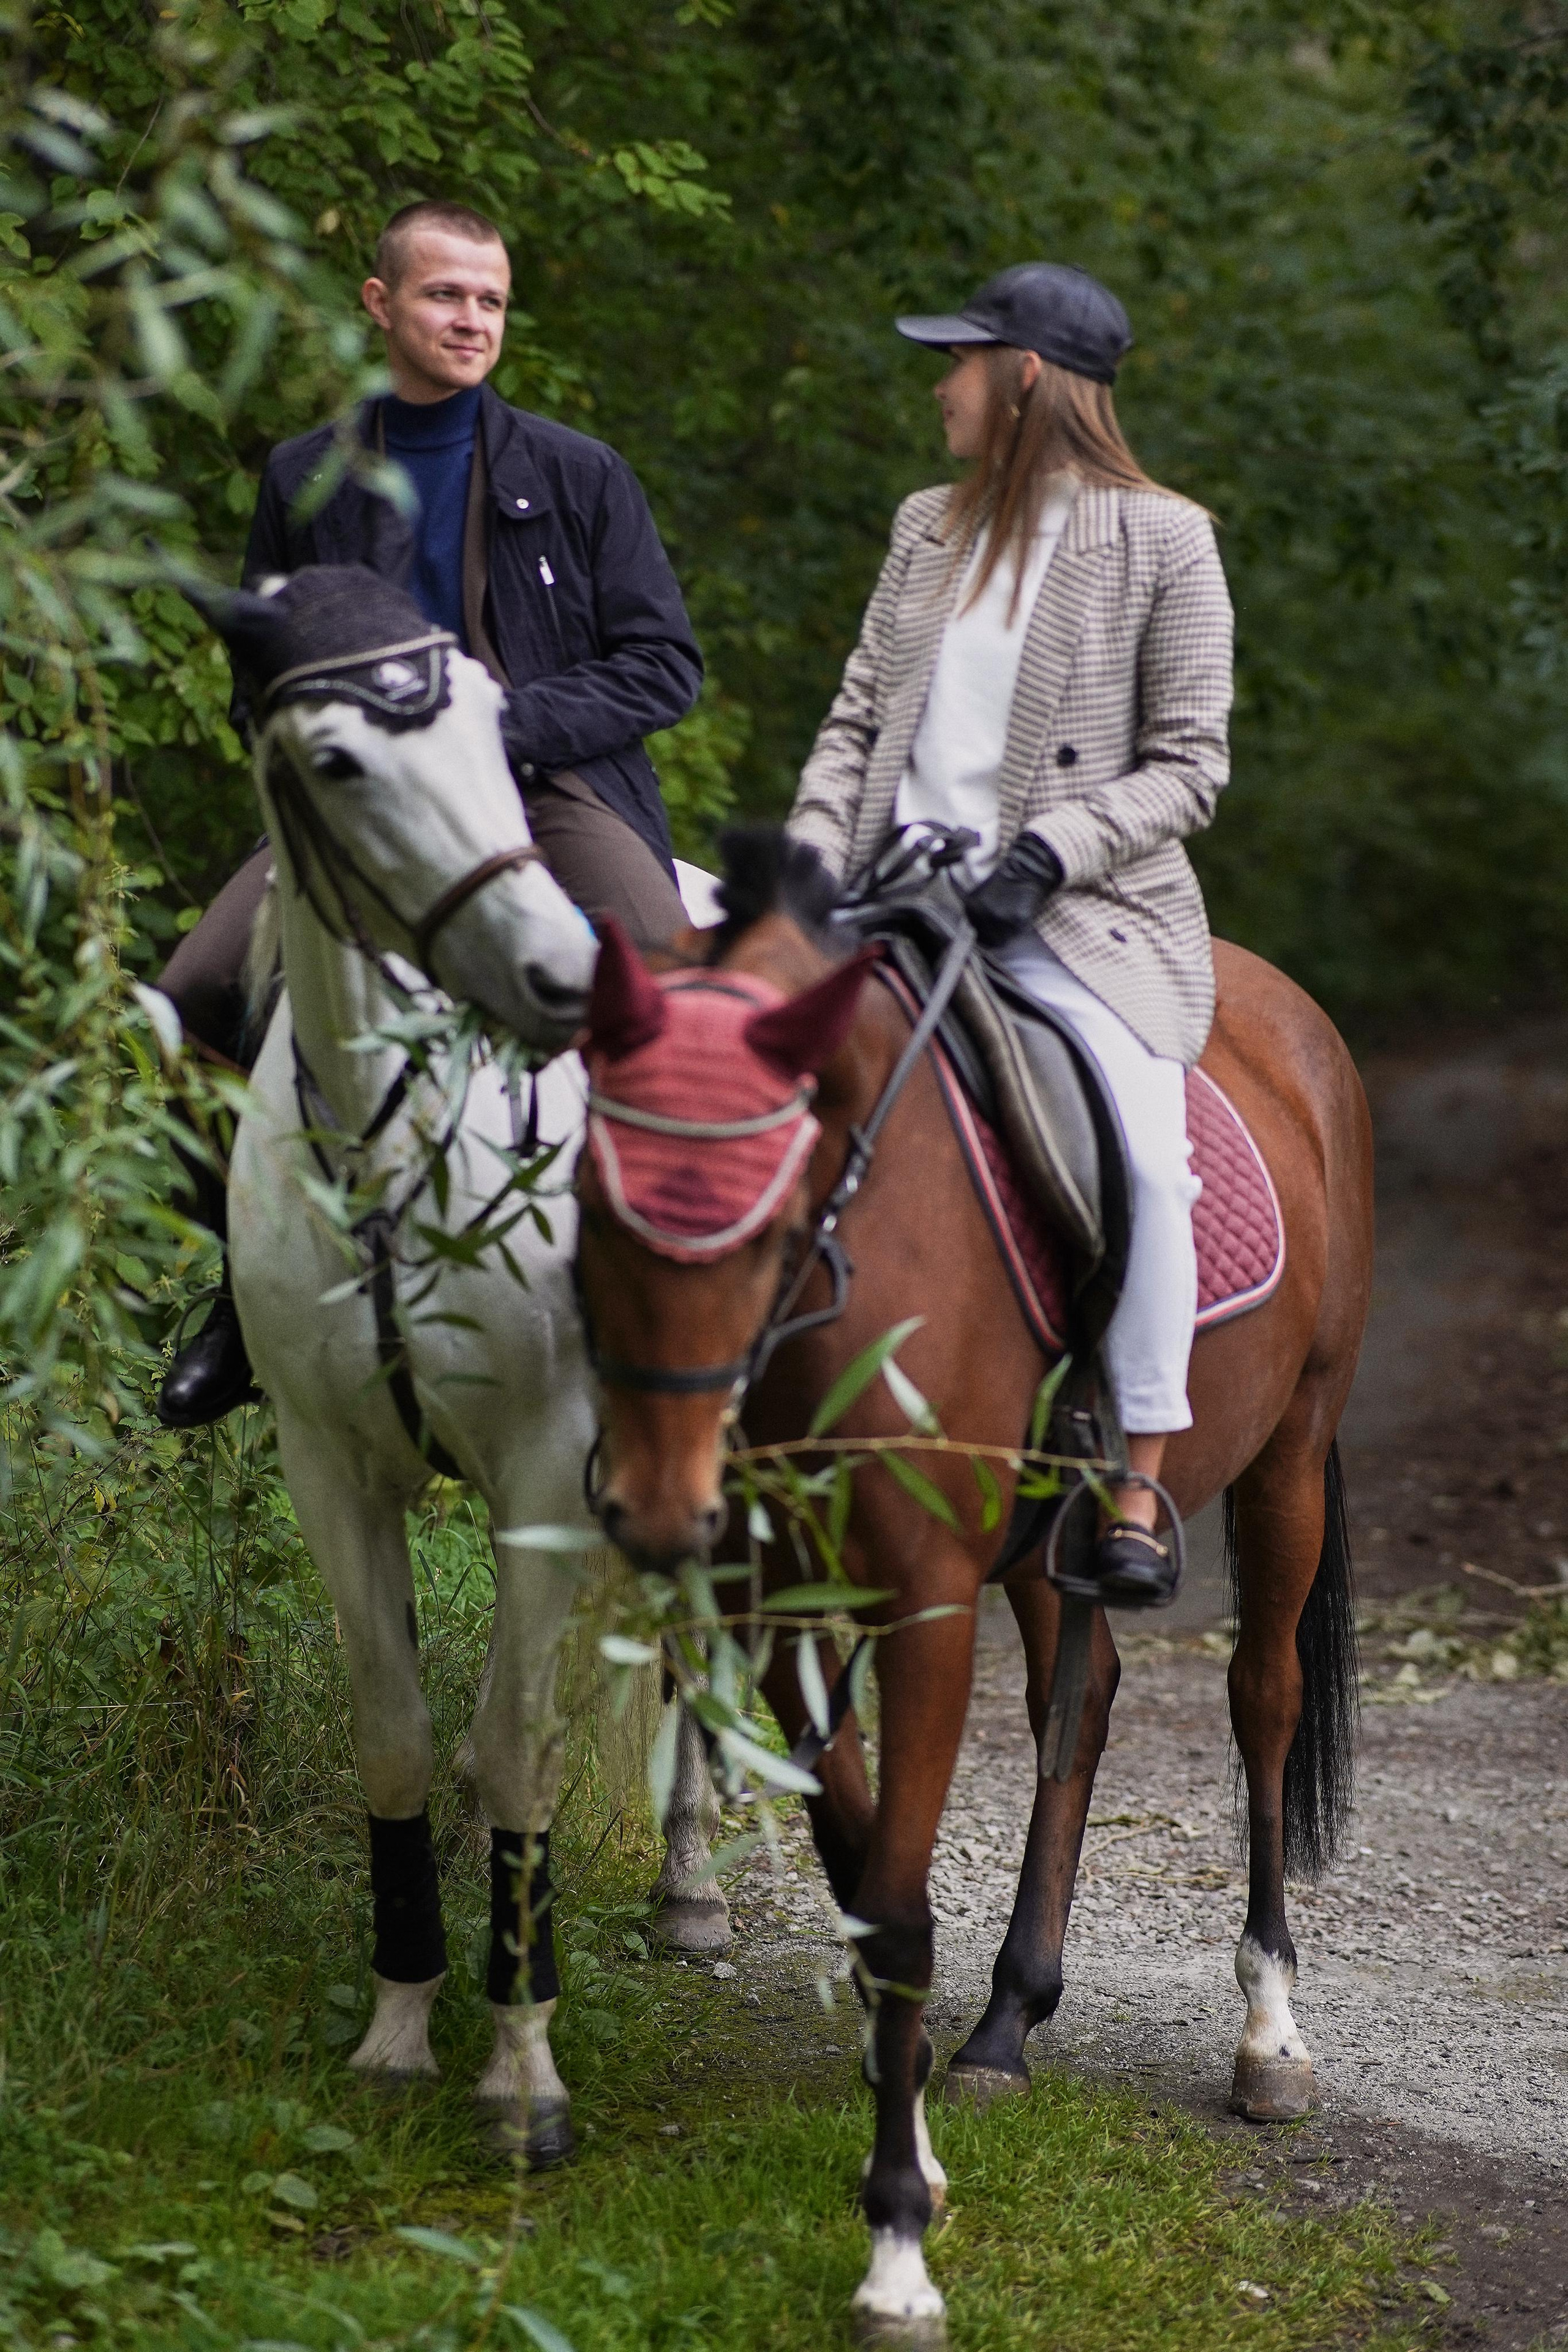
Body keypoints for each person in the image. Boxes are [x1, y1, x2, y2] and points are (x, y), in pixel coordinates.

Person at [157, 198, 703, 1430]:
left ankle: (678, 1316)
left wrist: (492, 735)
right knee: (179, 1003)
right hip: (355, 818)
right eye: (446, 295)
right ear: (380, 303)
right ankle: (243, 1298)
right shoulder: (304, 475)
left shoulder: (576, 473)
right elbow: (263, 677)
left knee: (666, 1001)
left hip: (548, 796)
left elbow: (661, 667)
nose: (471, 320)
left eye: (490, 301)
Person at [789, 262, 1234, 1605]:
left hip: (1073, 920)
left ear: (1025, 376)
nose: (940, 383)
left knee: (1150, 1171)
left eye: (960, 360)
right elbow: (857, 719)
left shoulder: (1166, 540)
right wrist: (809, 870)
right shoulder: (924, 525)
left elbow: (1188, 765)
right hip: (891, 902)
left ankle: (1137, 1470)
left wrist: (1047, 853)